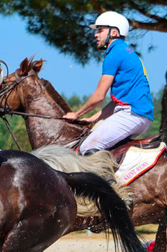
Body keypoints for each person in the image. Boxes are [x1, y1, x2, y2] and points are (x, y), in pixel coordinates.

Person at [64, 11, 153, 154]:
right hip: (139, 116)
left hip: (131, 115)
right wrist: (92, 118)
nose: (95, 35)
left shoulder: (115, 54)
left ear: (114, 32)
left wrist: (77, 114)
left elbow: (99, 96)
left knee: (86, 148)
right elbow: (117, 102)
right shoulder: (125, 51)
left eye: (100, 30)